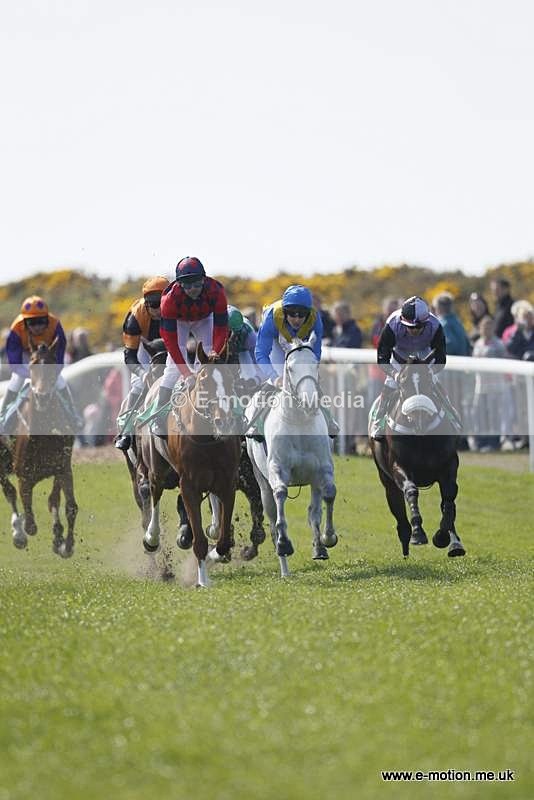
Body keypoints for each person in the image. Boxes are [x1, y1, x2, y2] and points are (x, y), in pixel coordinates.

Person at [247, 284, 338, 439]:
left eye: (301, 315)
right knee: (273, 384)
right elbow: (261, 353)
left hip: (302, 346)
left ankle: (328, 418)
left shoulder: (315, 319)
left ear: (308, 313)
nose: (296, 319)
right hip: (277, 344)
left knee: (310, 383)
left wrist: (310, 372)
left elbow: (316, 352)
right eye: (291, 314)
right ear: (284, 311)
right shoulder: (272, 316)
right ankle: (256, 424)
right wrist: (274, 377)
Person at [153, 257, 229, 436]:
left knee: (208, 366)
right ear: (179, 285)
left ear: (203, 279)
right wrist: (187, 374)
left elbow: (221, 330)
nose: (192, 289)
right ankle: (158, 415)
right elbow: (172, 344)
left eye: (196, 284)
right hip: (179, 322)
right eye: (187, 286)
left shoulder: (217, 291)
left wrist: (214, 355)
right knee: (173, 369)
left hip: (205, 319)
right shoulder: (169, 300)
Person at [370, 295, 458, 439]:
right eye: (410, 327)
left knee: (435, 383)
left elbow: (441, 359)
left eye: (419, 327)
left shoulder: (435, 326)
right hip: (400, 356)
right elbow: (382, 358)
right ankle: (378, 421)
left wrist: (430, 371)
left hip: (424, 355)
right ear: (402, 322)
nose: (414, 331)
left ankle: (452, 415)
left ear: (426, 322)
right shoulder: (392, 324)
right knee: (390, 384)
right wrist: (395, 374)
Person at [0, 295, 81, 432]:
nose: (37, 327)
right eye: (32, 323)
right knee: (16, 380)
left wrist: (49, 373)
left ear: (47, 319)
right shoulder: (16, 329)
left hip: (48, 360)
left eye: (41, 322)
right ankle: (3, 416)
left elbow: (59, 357)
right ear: (25, 323)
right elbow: (14, 362)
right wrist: (32, 374)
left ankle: (73, 416)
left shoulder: (55, 325)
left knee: (60, 381)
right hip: (26, 360)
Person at [114, 275, 170, 450]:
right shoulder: (135, 316)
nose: (158, 309)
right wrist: (143, 374)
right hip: (146, 353)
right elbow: (129, 356)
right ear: (145, 304)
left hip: (174, 350)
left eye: (161, 303)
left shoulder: (179, 308)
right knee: (138, 386)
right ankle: (126, 431)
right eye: (153, 305)